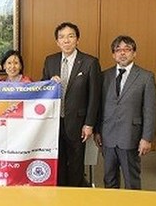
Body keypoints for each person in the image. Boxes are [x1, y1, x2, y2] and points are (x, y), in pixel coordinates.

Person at [42, 22, 101, 187]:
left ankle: (75, 195)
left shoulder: (90, 62)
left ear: (77, 39)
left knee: (75, 163)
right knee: (58, 159)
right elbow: (42, 88)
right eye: (62, 37)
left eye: (70, 36)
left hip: (78, 122)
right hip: (54, 122)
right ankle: (60, 192)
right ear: (57, 42)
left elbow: (94, 97)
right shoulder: (50, 60)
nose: (66, 40)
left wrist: (89, 124)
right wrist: (48, 82)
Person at [94, 35, 156, 190]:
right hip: (107, 136)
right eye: (118, 50)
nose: (122, 53)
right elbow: (99, 106)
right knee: (109, 179)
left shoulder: (145, 77)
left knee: (132, 180)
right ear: (113, 54)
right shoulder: (104, 76)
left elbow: (150, 109)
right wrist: (97, 131)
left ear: (134, 53)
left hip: (131, 136)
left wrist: (147, 138)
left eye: (127, 49)